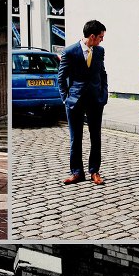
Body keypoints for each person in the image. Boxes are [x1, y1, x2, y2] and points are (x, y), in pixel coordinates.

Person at [58, 19, 108, 187]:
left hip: (95, 100)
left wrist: (104, 95)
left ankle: (94, 171)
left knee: (96, 137)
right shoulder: (70, 52)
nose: (102, 39)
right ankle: (77, 173)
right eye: (100, 36)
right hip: (74, 101)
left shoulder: (100, 51)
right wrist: (66, 98)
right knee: (75, 138)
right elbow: (61, 78)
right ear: (92, 36)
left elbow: (102, 74)